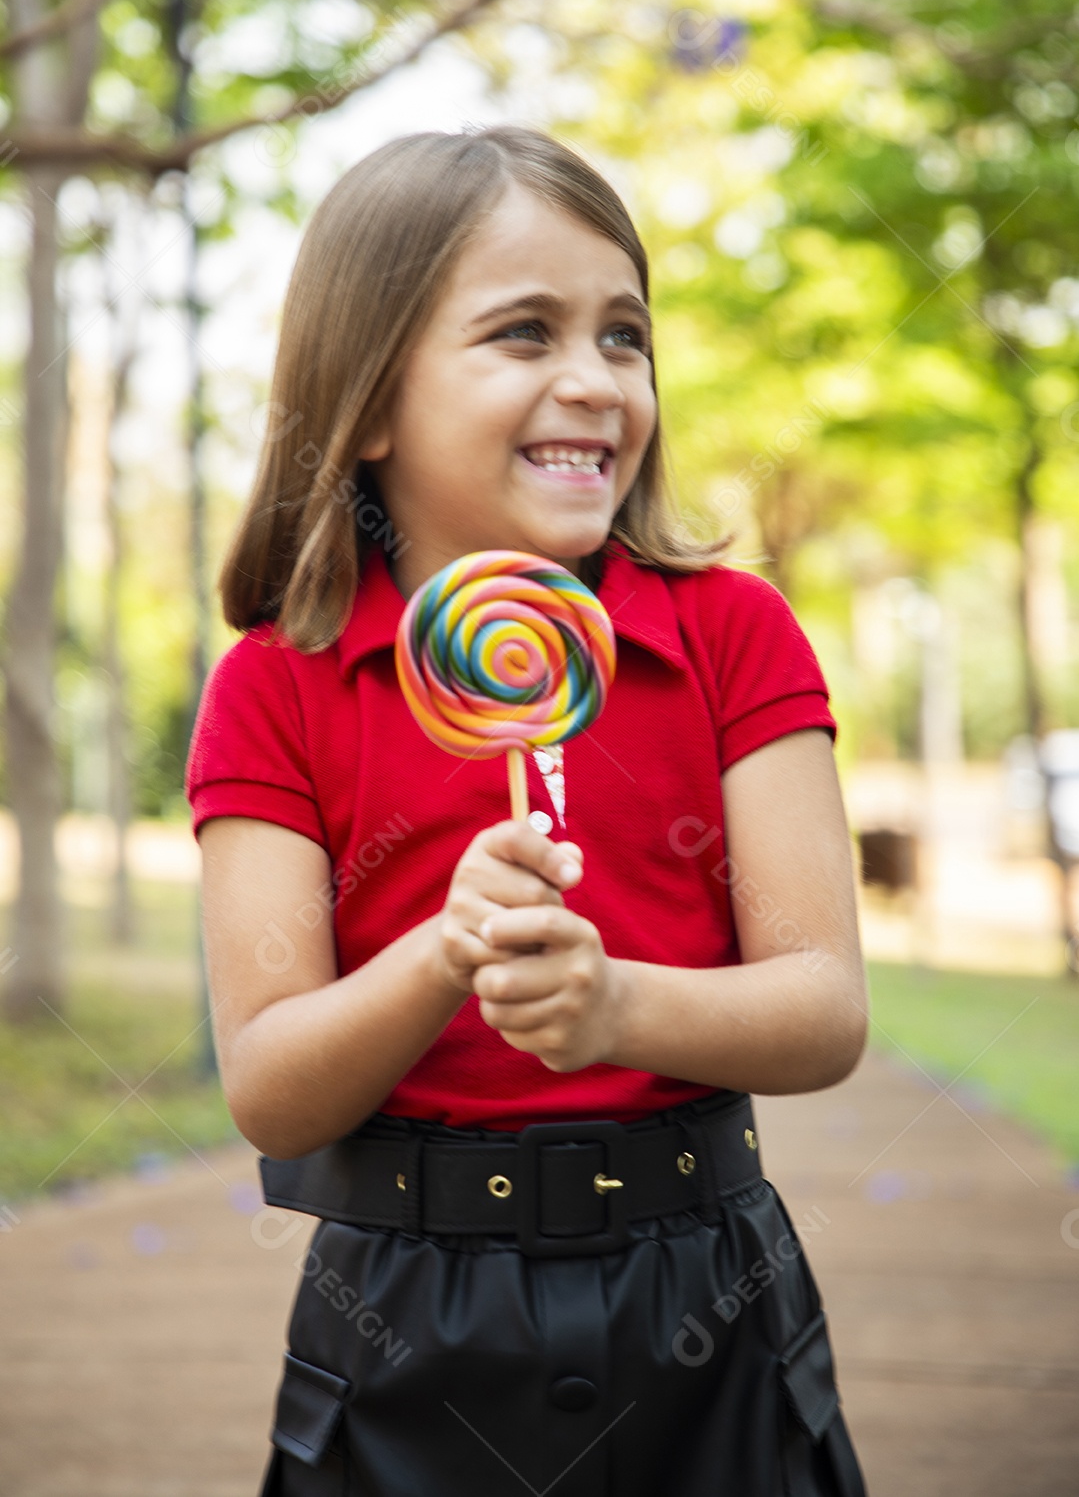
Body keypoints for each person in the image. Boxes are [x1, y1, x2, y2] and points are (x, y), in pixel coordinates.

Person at [184, 125, 870, 1497]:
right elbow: (271, 1087)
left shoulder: (732, 635)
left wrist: (616, 1007)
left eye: (625, 335)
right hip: (406, 1315)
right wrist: (443, 954)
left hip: (710, 1300)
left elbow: (823, 1008)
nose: (595, 381)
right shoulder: (277, 687)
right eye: (523, 332)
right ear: (367, 403)